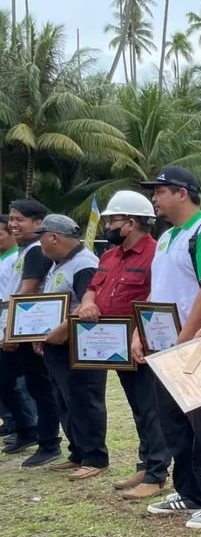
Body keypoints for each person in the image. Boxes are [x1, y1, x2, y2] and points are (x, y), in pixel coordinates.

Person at [131, 167, 201, 527]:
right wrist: (139, 333)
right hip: (165, 348)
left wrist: (184, 338)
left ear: (182, 193)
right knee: (174, 423)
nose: (154, 198)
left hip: (195, 346)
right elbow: (158, 291)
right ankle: (188, 491)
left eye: (159, 191)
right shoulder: (166, 237)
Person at [78, 190, 171, 493]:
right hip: (113, 345)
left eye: (113, 221)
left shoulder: (157, 254)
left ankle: (157, 474)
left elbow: (157, 298)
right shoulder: (109, 256)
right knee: (137, 407)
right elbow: (93, 288)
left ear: (131, 223)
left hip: (142, 343)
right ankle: (145, 466)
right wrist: (88, 302)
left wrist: (139, 335)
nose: (108, 226)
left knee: (151, 408)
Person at [34, 215, 110, 480]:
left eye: (42, 237)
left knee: (84, 400)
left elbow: (90, 306)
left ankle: (95, 457)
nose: (40, 243)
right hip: (57, 345)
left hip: (79, 345)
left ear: (54, 237)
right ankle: (78, 452)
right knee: (65, 401)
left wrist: (61, 330)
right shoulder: (58, 265)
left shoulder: (84, 264)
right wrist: (40, 334)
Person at [1, 199, 63, 468]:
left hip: (28, 329)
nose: (13, 224)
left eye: (20, 219)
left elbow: (28, 292)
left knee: (40, 387)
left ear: (38, 223)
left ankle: (49, 442)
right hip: (17, 327)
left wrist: (11, 331)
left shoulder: (36, 250)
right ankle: (27, 429)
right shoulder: (24, 250)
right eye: (12, 219)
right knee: (9, 381)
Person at [0, 214, 35, 437]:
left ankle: (27, 424)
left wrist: (9, 327)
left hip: (12, 324)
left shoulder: (16, 258)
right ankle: (15, 422)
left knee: (18, 382)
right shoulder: (9, 257)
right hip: (5, 322)